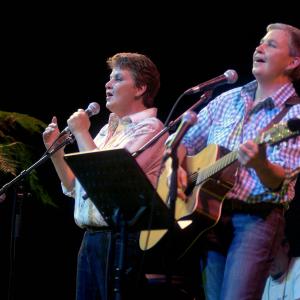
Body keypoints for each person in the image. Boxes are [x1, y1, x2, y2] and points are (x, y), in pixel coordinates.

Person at [175, 23, 300, 299]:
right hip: (209, 217)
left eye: (271, 44)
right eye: (260, 42)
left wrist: (260, 163)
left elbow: (280, 182)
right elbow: (183, 140)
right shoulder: (229, 98)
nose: (259, 47)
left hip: (255, 220)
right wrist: (178, 170)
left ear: (293, 61)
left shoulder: (295, 116)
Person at [42, 52, 168, 300]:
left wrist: (80, 133)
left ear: (140, 88)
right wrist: (56, 152)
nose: (108, 84)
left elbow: (107, 184)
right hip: (91, 240)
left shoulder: (151, 129)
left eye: (118, 79)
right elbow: (74, 187)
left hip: (121, 241)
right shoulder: (106, 131)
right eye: (109, 78)